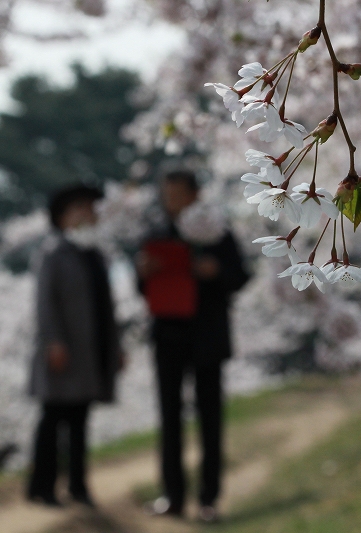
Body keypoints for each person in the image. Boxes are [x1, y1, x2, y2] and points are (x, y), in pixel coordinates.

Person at [137, 170, 249, 522]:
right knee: (169, 420)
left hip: (207, 336)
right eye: (166, 195)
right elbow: (142, 289)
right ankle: (173, 496)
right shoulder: (154, 236)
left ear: (195, 195)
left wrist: (216, 271)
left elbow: (241, 276)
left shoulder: (217, 232)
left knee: (210, 419)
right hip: (168, 336)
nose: (171, 202)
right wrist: (145, 272)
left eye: (178, 195)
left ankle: (208, 499)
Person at [26, 184, 121, 508]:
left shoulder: (94, 254)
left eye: (90, 207)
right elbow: (44, 303)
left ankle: (78, 486)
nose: (87, 213)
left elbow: (108, 306)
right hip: (62, 351)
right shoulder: (53, 253)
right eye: (79, 208)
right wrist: (53, 341)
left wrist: (116, 345)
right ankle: (43, 487)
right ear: (62, 216)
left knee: (80, 420)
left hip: (90, 351)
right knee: (53, 419)